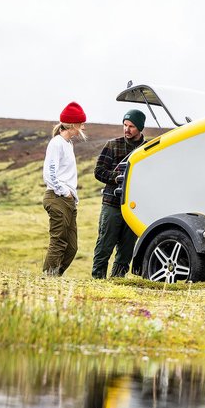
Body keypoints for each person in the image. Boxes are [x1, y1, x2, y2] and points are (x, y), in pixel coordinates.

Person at [91, 109, 148, 278]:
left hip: (134, 207)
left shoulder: (147, 149)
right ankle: (97, 280)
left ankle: (117, 281)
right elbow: (99, 171)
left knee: (126, 249)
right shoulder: (112, 145)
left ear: (140, 128)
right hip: (112, 204)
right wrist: (119, 177)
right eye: (125, 125)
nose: (127, 129)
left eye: (131, 126)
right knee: (104, 246)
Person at [41, 101, 87, 275]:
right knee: (59, 241)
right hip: (57, 197)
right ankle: (48, 279)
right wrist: (64, 191)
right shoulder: (57, 143)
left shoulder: (68, 144)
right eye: (81, 123)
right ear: (73, 124)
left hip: (68, 200)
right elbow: (50, 173)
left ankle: (55, 276)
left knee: (72, 247)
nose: (83, 126)